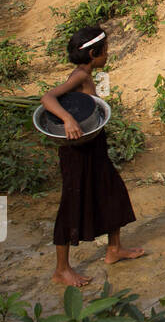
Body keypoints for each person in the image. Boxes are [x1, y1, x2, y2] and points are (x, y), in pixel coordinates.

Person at [40, 26, 143, 287]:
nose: (108, 55)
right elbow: (47, 97)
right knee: (71, 204)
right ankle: (61, 269)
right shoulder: (80, 75)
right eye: (106, 51)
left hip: (94, 147)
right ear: (94, 54)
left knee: (113, 192)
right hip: (77, 153)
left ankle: (114, 249)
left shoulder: (86, 74)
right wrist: (68, 119)